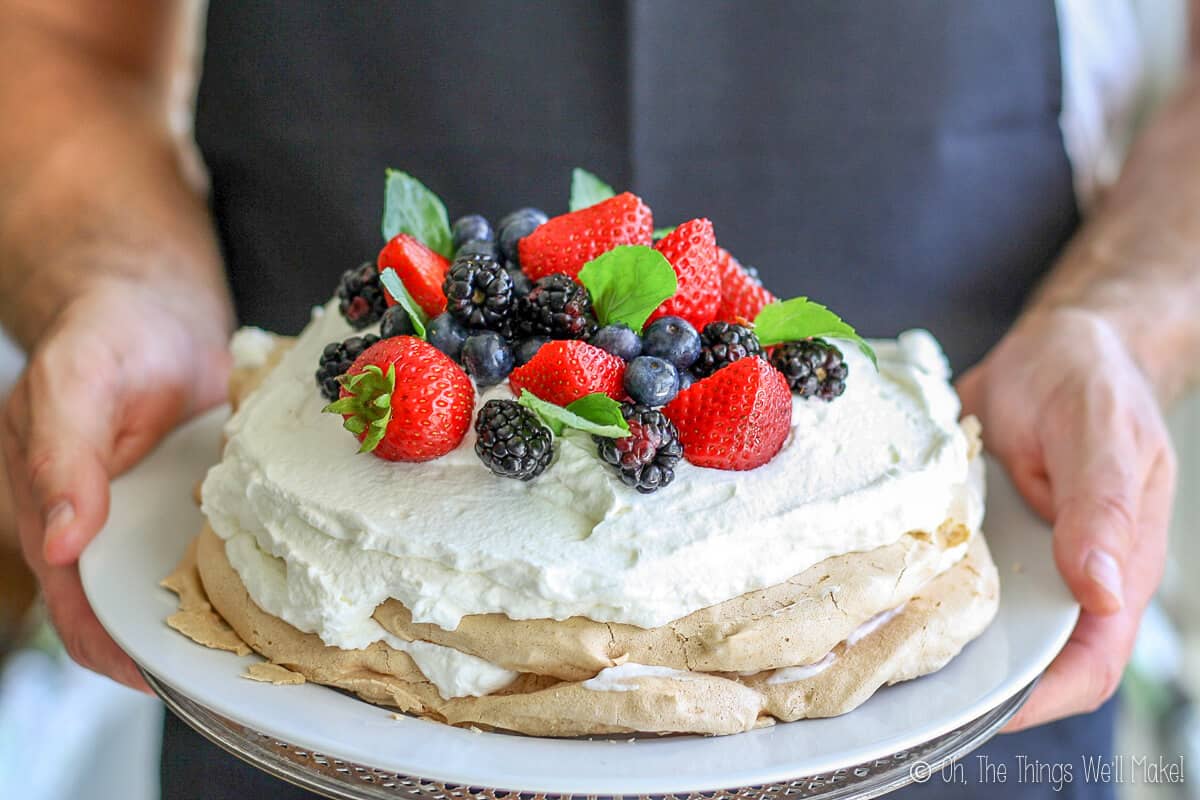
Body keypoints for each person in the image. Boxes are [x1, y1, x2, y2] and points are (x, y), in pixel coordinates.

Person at [0, 1, 1195, 798]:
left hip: (946, 675)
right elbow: (56, 34)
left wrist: (1123, 323)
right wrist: (117, 281)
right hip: (312, 665)